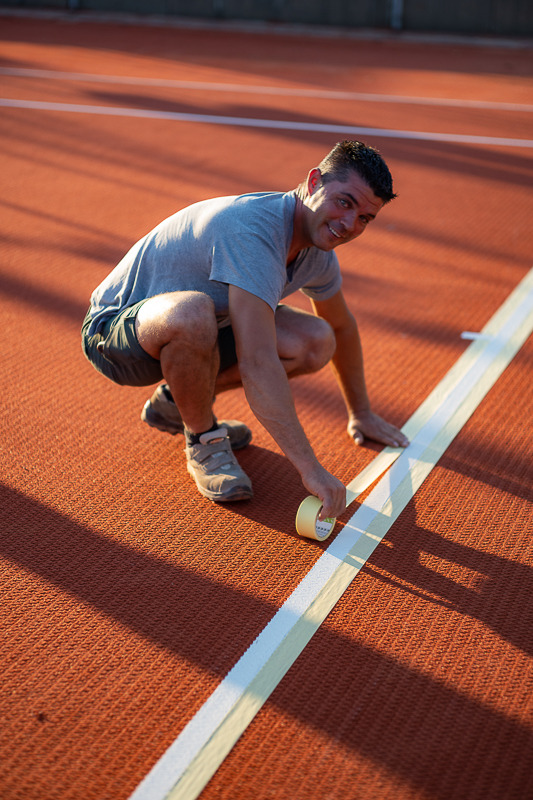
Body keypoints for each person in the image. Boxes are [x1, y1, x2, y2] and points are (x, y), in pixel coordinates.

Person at [82, 139, 408, 521]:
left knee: (315, 340)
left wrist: (362, 413)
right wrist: (310, 469)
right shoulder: (254, 232)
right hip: (116, 334)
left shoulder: (318, 252)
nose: (349, 225)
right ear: (314, 182)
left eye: (365, 218)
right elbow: (258, 361)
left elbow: (340, 325)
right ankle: (203, 438)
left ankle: (178, 402)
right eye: (345, 202)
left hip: (200, 327)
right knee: (193, 312)